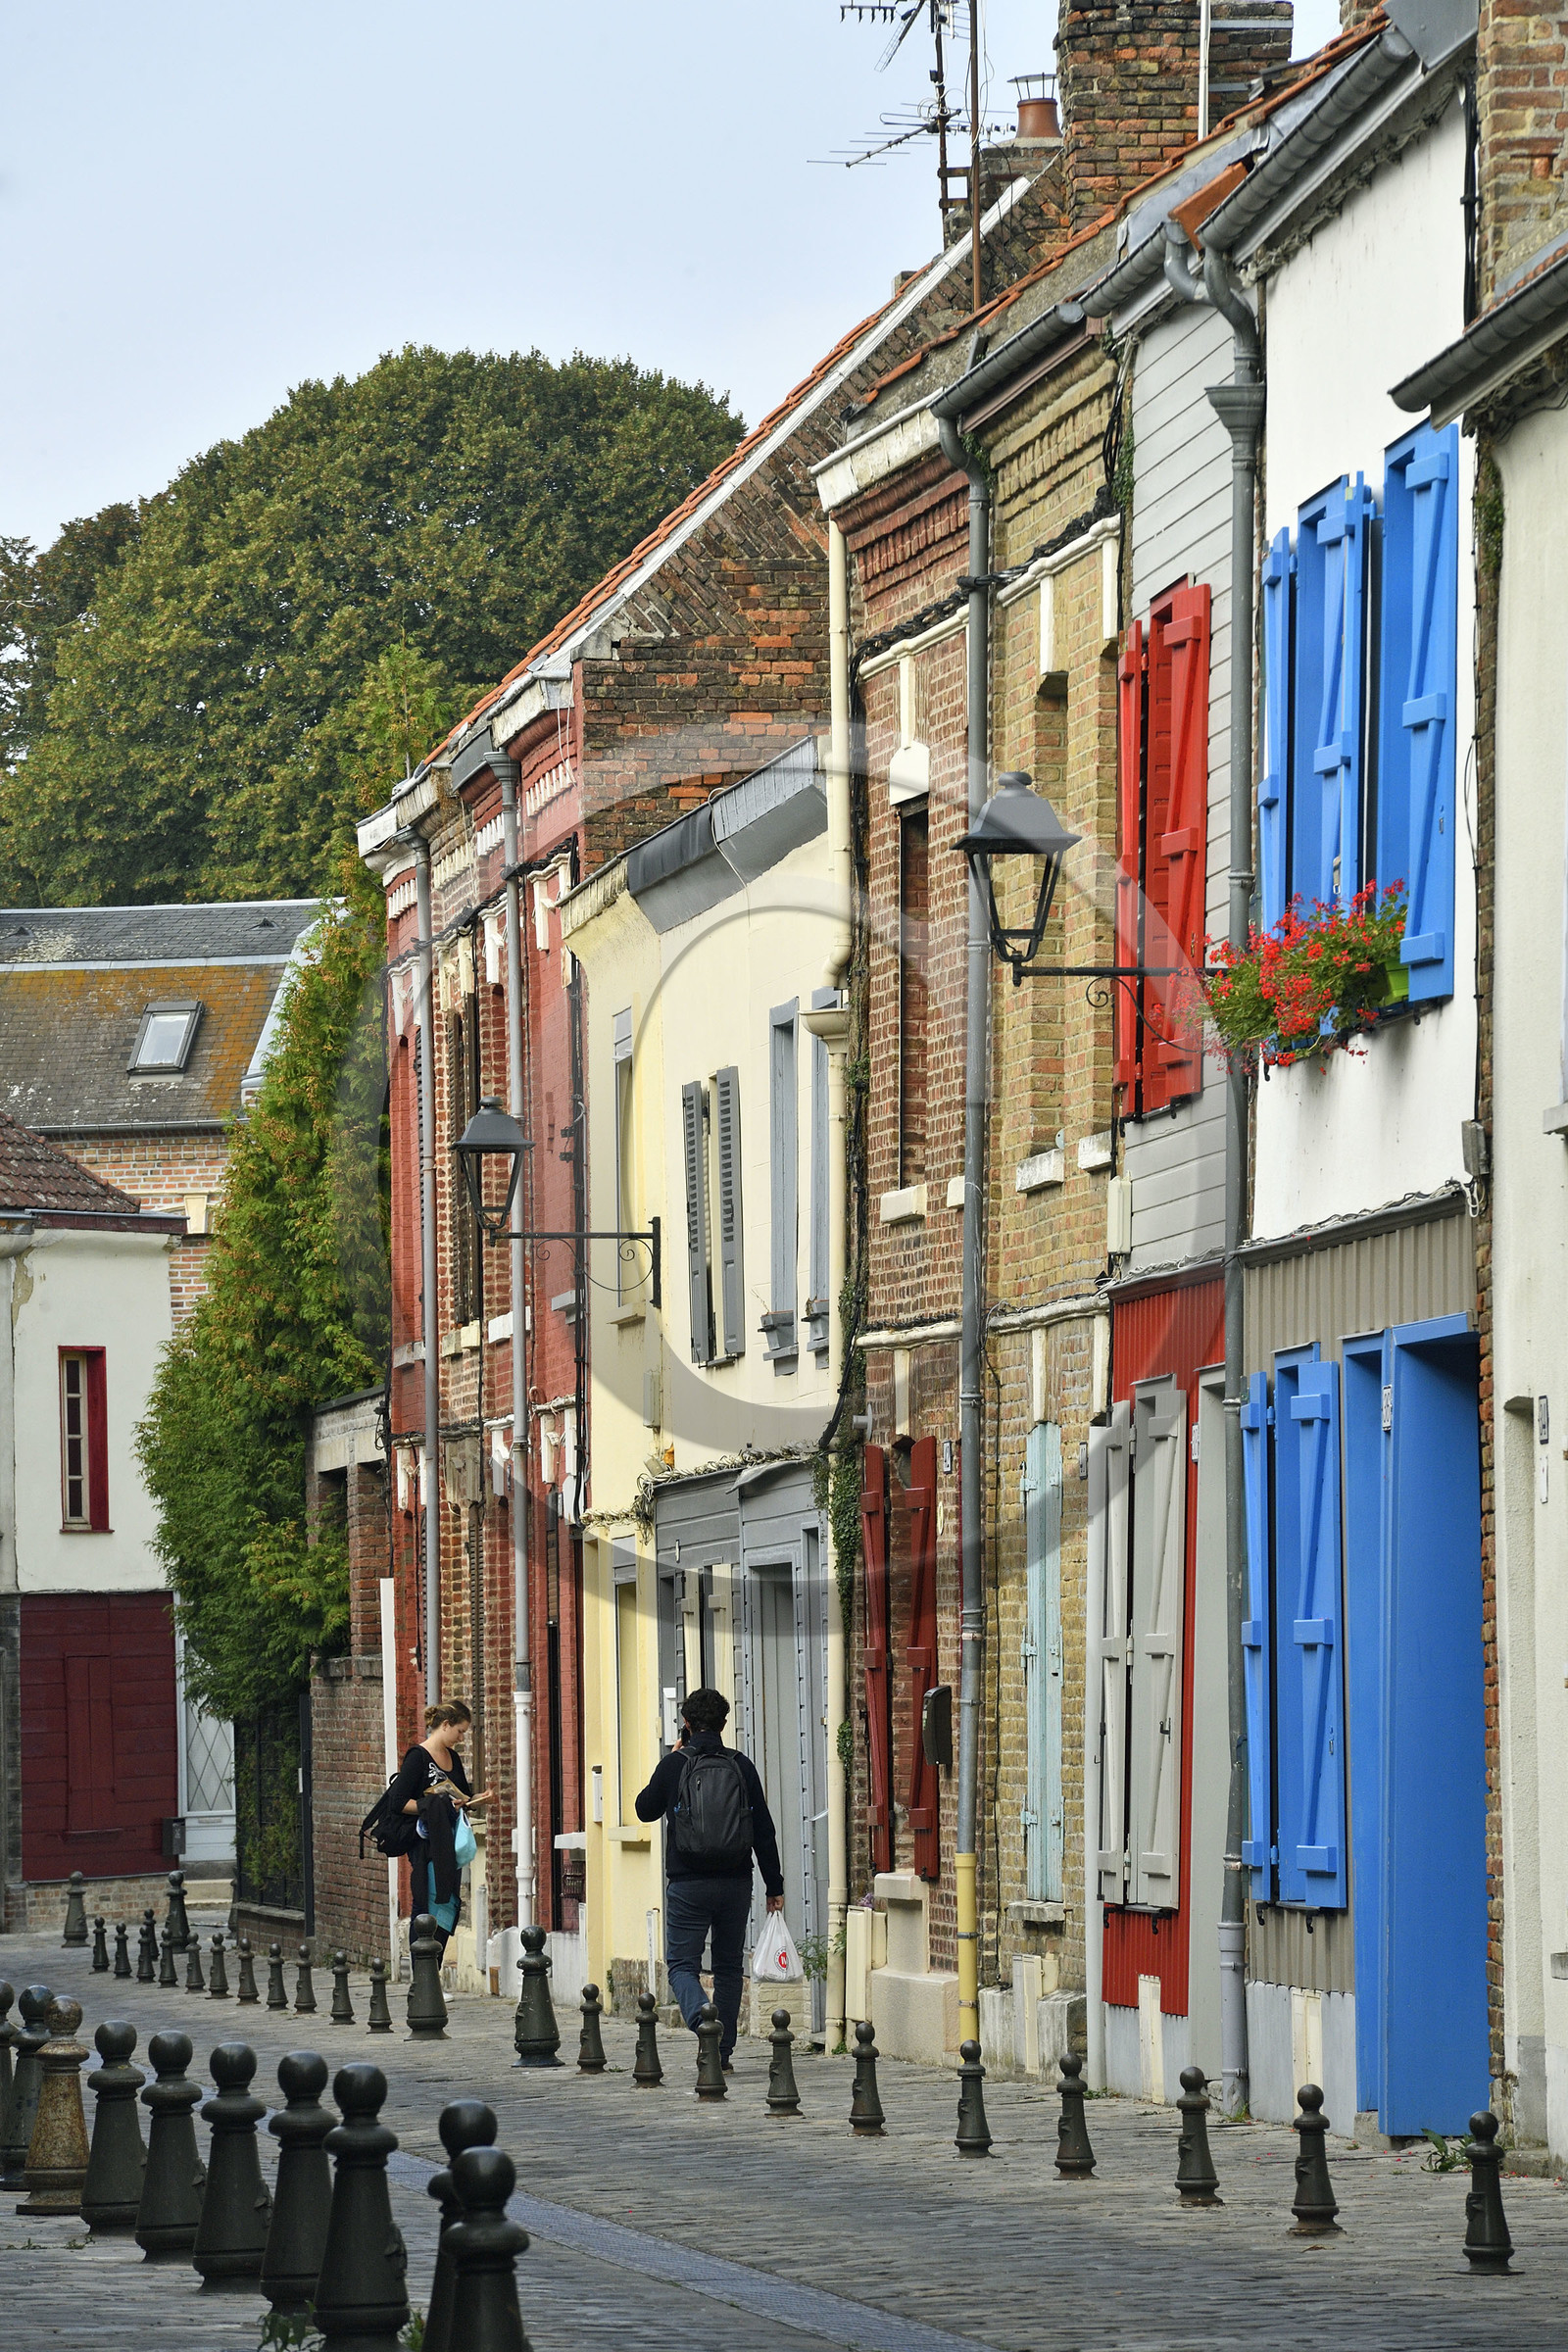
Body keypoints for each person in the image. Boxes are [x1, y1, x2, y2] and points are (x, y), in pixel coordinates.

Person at [635, 1686, 784, 2069]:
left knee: (682, 1964)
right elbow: (763, 1830)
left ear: (685, 1723)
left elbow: (645, 1810)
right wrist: (775, 1885)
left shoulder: (676, 1764)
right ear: (723, 1724)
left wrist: (667, 1765)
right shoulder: (740, 1764)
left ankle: (703, 2018)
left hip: (688, 1882)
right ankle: (721, 2052)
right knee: (729, 1966)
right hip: (736, 1881)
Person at [382, 1699, 491, 1959]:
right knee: (425, 1901)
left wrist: (478, 1799)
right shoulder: (417, 1757)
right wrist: (431, 1806)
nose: (462, 1738)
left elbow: (460, 1797)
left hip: (450, 1840)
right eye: (460, 1731)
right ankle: (422, 1976)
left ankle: (435, 1970)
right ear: (445, 1725)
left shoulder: (452, 1758)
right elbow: (398, 1802)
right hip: (425, 1841)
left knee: (447, 1902)